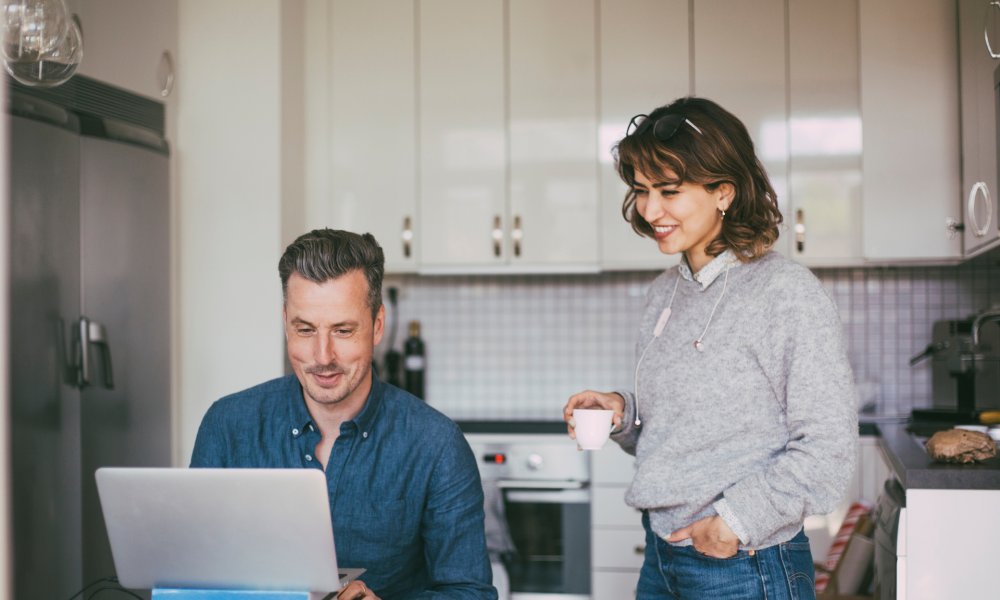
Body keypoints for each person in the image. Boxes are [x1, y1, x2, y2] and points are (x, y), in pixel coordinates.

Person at [562, 97, 857, 599]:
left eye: (669, 191)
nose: (650, 211)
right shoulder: (665, 292)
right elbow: (686, 430)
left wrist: (730, 525)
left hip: (744, 564)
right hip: (661, 558)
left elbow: (828, 451)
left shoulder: (785, 292)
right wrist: (622, 413)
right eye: (641, 191)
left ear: (724, 191)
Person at [190, 229, 497, 600]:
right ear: (286, 322)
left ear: (377, 325)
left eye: (343, 330)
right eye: (305, 330)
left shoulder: (437, 446)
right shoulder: (227, 427)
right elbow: (196, 576)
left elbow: (470, 593)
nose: (322, 356)